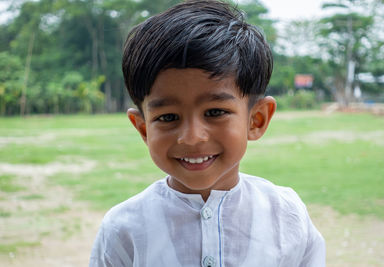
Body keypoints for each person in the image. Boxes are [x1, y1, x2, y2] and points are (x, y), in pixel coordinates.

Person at [89, 0, 325, 266]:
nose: (192, 137)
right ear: (143, 128)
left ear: (256, 120)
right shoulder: (124, 228)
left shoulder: (287, 215)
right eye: (168, 117)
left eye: (215, 112)